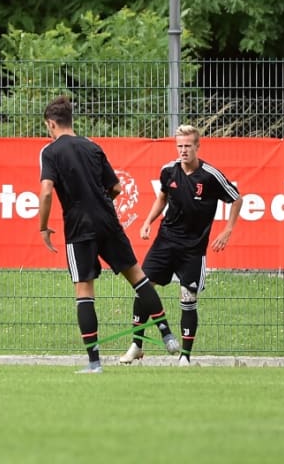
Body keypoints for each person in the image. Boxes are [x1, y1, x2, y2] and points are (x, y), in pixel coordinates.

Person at [38, 96, 179, 374]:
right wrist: (100, 201)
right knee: (137, 277)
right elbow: (115, 187)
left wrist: (43, 227)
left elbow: (45, 192)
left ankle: (94, 363)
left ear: (52, 124)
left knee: (84, 291)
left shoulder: (50, 151)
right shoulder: (92, 146)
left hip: (79, 227)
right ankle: (167, 335)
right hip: (107, 220)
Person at [119, 124, 243, 366]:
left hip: (193, 248)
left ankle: (185, 356)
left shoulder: (210, 176)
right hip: (165, 241)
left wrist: (227, 230)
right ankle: (137, 345)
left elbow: (237, 198)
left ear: (197, 146)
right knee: (143, 287)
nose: (183, 150)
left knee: (188, 297)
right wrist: (147, 221)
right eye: (180, 146)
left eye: (188, 146)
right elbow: (163, 197)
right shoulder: (168, 171)